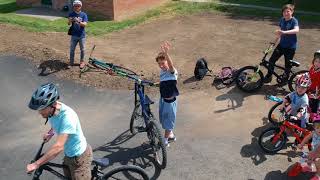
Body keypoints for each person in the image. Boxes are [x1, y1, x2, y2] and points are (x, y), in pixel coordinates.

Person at [26, 83, 93, 180]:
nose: (40, 112)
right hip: (69, 155)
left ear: (52, 104)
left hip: (79, 158)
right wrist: (50, 133)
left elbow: (58, 147)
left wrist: (36, 164)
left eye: (42, 109)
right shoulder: (52, 112)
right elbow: (57, 123)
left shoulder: (68, 117)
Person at [264, 4, 299, 83]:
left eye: (288, 11)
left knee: (287, 65)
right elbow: (279, 33)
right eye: (284, 11)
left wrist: (284, 32)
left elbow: (297, 30)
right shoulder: (282, 20)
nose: (286, 13)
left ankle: (285, 79)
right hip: (281, 45)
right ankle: (269, 75)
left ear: (292, 12)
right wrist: (274, 42)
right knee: (271, 61)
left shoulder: (294, 20)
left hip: (290, 47)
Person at [155, 42, 179, 147]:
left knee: (169, 121)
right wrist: (156, 84)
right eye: (159, 64)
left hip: (170, 101)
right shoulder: (162, 72)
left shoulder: (171, 71)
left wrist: (166, 54)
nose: (161, 65)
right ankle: (171, 135)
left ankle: (165, 140)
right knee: (164, 119)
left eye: (163, 63)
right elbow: (163, 82)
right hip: (163, 100)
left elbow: (171, 65)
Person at [297, 114, 320, 180]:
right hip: (314, 150)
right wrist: (301, 144)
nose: (319, 130)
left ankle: (318, 176)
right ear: (314, 128)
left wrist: (314, 153)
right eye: (318, 127)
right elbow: (307, 137)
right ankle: (310, 167)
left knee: (318, 163)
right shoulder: (314, 133)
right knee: (309, 157)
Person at [68, 0, 88, 69]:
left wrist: (78, 21)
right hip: (74, 35)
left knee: (83, 50)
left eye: (78, 6)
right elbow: (68, 23)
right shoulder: (71, 14)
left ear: (81, 6)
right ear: (73, 6)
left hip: (82, 35)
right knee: (72, 49)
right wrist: (70, 20)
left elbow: (85, 24)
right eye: (75, 6)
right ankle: (71, 62)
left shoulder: (84, 14)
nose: (77, 7)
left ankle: (82, 62)